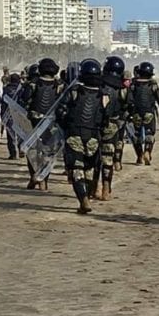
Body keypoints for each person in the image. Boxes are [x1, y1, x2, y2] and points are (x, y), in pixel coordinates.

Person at [57, 59, 108, 214]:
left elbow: (60, 111)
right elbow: (105, 118)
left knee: (76, 168)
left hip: (74, 134)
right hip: (93, 136)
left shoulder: (73, 91)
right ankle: (90, 194)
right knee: (89, 168)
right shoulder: (104, 95)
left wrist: (65, 127)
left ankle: (83, 200)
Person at [20, 60, 60, 190]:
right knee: (48, 152)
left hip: (33, 122)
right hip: (52, 123)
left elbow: (24, 100)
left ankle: (34, 177)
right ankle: (44, 180)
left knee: (32, 151)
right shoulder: (60, 85)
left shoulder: (32, 84)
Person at [95, 56, 130, 201]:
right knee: (107, 159)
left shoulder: (98, 84)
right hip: (113, 127)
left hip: (95, 126)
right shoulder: (123, 89)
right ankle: (106, 189)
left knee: (94, 158)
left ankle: (94, 187)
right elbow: (128, 107)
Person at [127, 61, 159, 166]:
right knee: (150, 134)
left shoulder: (133, 84)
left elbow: (129, 99)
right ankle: (148, 151)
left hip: (136, 112)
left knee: (136, 135)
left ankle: (139, 156)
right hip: (149, 112)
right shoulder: (152, 84)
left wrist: (129, 113)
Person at [1, 73, 23, 159]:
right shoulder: (22, 88)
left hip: (8, 114)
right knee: (21, 133)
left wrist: (2, 115)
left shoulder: (6, 89)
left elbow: (3, 103)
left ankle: (13, 154)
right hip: (20, 114)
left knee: (10, 134)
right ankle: (21, 148)